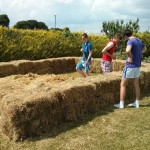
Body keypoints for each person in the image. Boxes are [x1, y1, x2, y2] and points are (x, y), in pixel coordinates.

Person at [114, 29, 147, 109]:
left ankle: (121, 104)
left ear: (126, 36)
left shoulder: (130, 41)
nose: (125, 39)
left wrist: (130, 57)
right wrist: (139, 53)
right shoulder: (138, 40)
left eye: (124, 37)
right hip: (137, 66)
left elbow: (127, 50)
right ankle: (137, 103)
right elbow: (145, 48)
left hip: (130, 66)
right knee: (136, 84)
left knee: (123, 84)